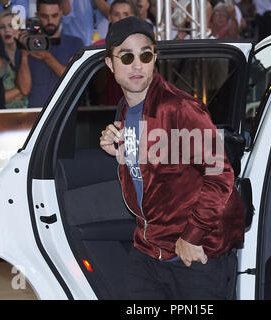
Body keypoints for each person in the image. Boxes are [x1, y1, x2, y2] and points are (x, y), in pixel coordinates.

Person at [99, 16, 245, 299]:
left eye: (145, 55)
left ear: (155, 57)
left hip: (195, 253)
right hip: (149, 250)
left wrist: (193, 235)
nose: (137, 65)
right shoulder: (125, 110)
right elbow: (150, 173)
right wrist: (120, 156)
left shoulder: (180, 108)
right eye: (126, 57)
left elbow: (220, 174)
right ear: (110, 64)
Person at [16, 0, 84, 108]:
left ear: (61, 12)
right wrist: (24, 54)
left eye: (54, 16)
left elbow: (73, 80)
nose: (50, 21)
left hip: (64, 112)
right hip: (36, 114)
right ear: (37, 15)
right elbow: (24, 90)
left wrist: (47, 57)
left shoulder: (75, 43)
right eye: (44, 16)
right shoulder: (27, 44)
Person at [0, 10, 29, 108]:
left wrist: (14, 93)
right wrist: (21, 89)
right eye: (2, 27)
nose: (7, 30)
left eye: (11, 26)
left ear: (20, 29)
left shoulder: (32, 54)